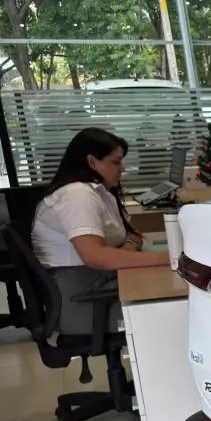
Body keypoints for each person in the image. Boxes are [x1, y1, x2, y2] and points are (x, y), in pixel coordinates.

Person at [32, 128, 169, 335]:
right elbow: (96, 257)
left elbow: (134, 234)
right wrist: (167, 258)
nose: (123, 168)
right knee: (176, 307)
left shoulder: (99, 192)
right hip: (85, 304)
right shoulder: (76, 196)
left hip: (101, 288)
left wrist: (124, 251)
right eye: (116, 162)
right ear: (91, 161)